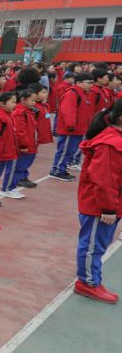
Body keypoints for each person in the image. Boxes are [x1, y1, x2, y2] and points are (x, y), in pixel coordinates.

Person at [73, 99, 122, 304]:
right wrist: (108, 208)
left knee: (100, 243)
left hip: (112, 203)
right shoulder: (110, 143)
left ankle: (93, 278)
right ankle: (87, 282)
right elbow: (104, 179)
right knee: (93, 245)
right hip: (101, 206)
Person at [51, 73, 95, 181]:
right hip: (70, 130)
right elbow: (68, 110)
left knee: (69, 151)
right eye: (89, 83)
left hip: (78, 129)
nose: (91, 85)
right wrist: (71, 125)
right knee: (64, 150)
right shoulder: (72, 93)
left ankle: (62, 169)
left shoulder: (83, 94)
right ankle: (56, 170)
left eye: (92, 83)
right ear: (79, 83)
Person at [10, 89, 40, 195]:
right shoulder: (20, 112)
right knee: (20, 164)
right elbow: (19, 130)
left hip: (31, 142)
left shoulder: (29, 111)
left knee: (27, 162)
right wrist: (23, 144)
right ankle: (14, 183)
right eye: (32, 100)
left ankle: (22, 177)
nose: (34, 103)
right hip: (25, 144)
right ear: (23, 100)